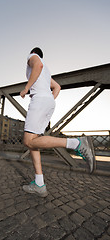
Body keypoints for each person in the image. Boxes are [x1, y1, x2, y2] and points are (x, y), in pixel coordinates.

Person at [20, 47, 95, 198]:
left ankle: (76, 143)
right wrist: (48, 100)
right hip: (47, 101)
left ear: (34, 53)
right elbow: (57, 87)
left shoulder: (33, 57)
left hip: (40, 100)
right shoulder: (46, 71)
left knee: (28, 141)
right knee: (34, 142)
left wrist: (27, 88)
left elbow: (38, 66)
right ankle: (39, 184)